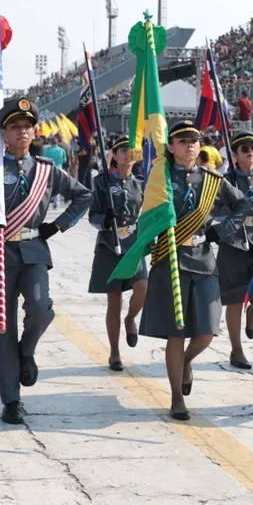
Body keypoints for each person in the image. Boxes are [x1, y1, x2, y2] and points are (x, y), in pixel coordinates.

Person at [0, 97, 92, 425]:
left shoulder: (46, 170)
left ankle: (26, 351)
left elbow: (83, 195)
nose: (22, 132)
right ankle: (11, 400)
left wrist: (58, 224)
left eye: (27, 127)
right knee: (2, 325)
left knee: (41, 307)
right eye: (15, 127)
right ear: (4, 133)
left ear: (34, 132)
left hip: (33, 251)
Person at [139, 119, 248, 421]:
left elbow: (243, 205)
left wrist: (221, 232)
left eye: (194, 140)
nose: (189, 145)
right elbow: (145, 216)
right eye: (182, 140)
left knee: (207, 332)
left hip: (202, 258)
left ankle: (186, 363)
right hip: (170, 259)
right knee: (176, 332)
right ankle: (176, 397)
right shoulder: (159, 178)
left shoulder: (212, 180)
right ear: (171, 147)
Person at [214, 130, 253, 370]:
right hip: (233, 243)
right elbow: (215, 210)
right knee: (234, 300)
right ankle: (236, 350)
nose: (251, 152)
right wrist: (231, 218)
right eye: (245, 149)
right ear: (235, 154)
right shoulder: (225, 181)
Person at [87, 136, 147, 371]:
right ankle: (114, 352)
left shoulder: (141, 183)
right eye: (122, 150)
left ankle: (131, 318)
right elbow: (92, 214)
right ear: (114, 154)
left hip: (133, 243)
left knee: (142, 287)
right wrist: (105, 220)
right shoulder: (101, 182)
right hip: (110, 244)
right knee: (114, 300)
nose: (127, 154)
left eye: (131, 150)